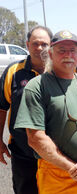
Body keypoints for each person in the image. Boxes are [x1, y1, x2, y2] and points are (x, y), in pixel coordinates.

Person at [14, 30, 77, 194]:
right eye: (62, 51)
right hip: (58, 177)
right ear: (51, 55)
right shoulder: (37, 86)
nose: (68, 55)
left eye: (72, 50)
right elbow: (35, 138)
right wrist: (74, 170)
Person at [0, 26, 52, 194]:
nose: (39, 48)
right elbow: (2, 108)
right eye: (35, 43)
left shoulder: (60, 71)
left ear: (51, 46)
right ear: (28, 45)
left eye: (44, 44)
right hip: (23, 153)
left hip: (56, 154)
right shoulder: (13, 72)